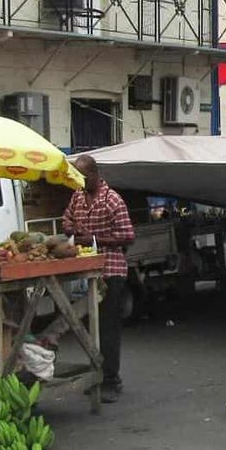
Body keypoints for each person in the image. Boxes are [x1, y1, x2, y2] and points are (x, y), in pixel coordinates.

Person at [62, 155, 135, 402]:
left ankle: (112, 380)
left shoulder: (112, 200)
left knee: (108, 328)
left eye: (83, 177)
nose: (80, 182)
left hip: (110, 270)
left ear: (95, 173)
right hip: (86, 271)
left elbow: (127, 237)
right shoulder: (78, 197)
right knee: (92, 328)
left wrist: (93, 239)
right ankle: (97, 375)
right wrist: (72, 231)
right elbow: (66, 220)